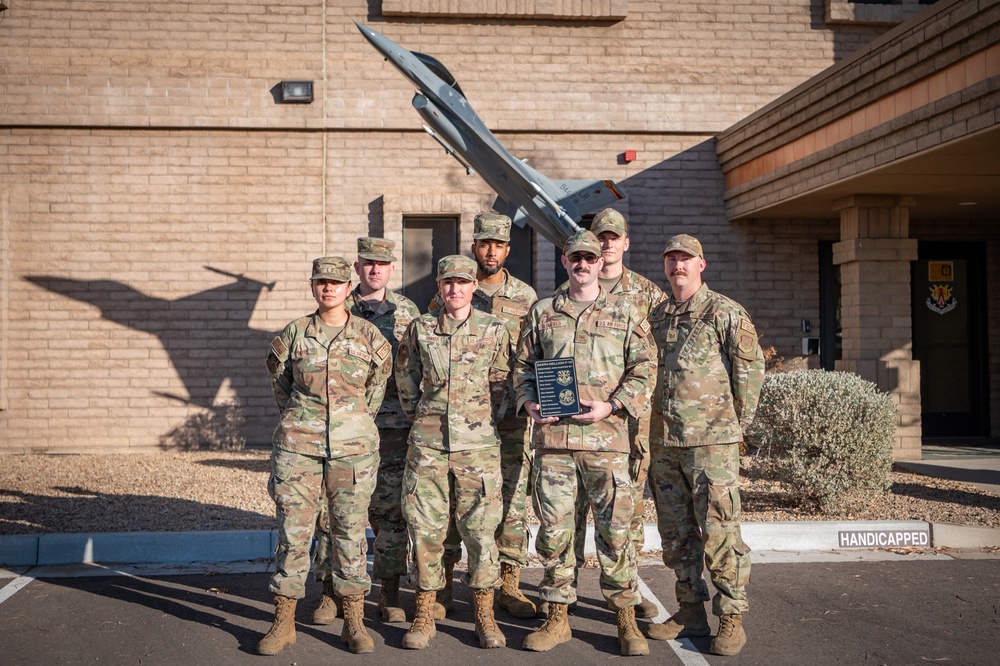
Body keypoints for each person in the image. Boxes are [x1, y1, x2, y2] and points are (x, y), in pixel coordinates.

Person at [514, 230, 654, 657]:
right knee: (555, 533)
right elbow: (522, 366)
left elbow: (645, 370)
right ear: (565, 260)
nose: (583, 264)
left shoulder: (626, 312)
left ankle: (626, 620)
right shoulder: (543, 312)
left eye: (590, 257)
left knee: (615, 534)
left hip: (606, 442)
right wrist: (529, 403)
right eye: (575, 257)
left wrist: (611, 407)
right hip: (555, 443)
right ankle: (557, 618)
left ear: (599, 262)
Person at [260, 256, 393, 656]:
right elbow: (281, 386)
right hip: (299, 448)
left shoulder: (369, 337)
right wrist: (304, 421)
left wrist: (349, 423)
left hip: (353, 449)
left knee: (351, 533)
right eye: (322, 282)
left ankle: (353, 621)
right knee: (294, 533)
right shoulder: (295, 334)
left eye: (337, 282)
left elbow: (376, 388)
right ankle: (283, 622)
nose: (329, 288)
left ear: (349, 288)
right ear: (313, 286)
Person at [645, 234, 765, 656]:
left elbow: (749, 373)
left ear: (702, 264)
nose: (678, 265)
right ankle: (690, 610)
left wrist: (737, 427)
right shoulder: (657, 316)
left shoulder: (724, 312)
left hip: (711, 442)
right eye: (672, 259)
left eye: (686, 259)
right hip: (664, 442)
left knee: (719, 531)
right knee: (675, 533)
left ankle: (731, 618)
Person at [396, 254, 513, 650]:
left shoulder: (494, 329)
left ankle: (485, 614)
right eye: (448, 282)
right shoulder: (420, 328)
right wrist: (423, 418)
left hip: (477, 448)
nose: (455, 289)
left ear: (474, 286)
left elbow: (501, 380)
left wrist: (479, 421)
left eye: (462, 282)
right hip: (428, 448)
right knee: (426, 531)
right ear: (439, 287)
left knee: (480, 533)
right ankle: (424, 613)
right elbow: (406, 379)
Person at [427, 213, 538, 619]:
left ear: (508, 249)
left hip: (509, 420)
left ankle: (508, 584)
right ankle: (444, 586)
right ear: (474, 247)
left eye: (499, 244)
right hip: (460, 423)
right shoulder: (447, 294)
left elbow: (530, 356)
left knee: (510, 500)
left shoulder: (525, 297)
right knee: (456, 500)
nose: (491, 251)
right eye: (484, 243)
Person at [562, 208, 666, 619]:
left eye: (612, 237)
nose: (605, 245)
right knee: (569, 514)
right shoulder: (569, 289)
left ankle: (627, 589)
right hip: (571, 428)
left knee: (625, 512)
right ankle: (562, 595)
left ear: (625, 243)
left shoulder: (647, 295)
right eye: (598, 237)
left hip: (626, 424)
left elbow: (653, 359)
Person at [310, 238, 420, 626]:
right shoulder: (337, 304)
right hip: (342, 431)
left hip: (393, 429)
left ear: (392, 269)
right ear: (356, 268)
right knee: (333, 514)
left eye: (382, 263)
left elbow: (416, 370)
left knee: (390, 514)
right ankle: (330, 591)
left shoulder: (409, 313)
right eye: (368, 263)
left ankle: (388, 591)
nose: (375, 269)